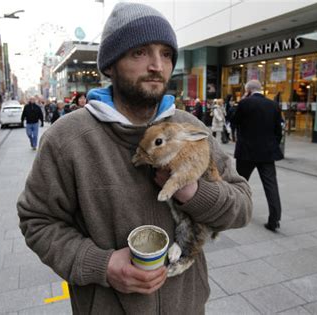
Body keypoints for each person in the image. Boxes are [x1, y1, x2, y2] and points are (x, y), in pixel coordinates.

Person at [17, 3, 252, 314]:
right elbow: (38, 221)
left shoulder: (191, 129)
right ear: (111, 65)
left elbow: (243, 206)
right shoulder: (67, 140)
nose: (157, 65)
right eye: (140, 52)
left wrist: (194, 193)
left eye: (166, 54)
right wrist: (103, 265)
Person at [234, 79, 283, 232]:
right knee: (271, 185)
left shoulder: (244, 103)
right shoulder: (274, 105)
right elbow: (278, 130)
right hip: (267, 153)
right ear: (260, 89)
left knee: (240, 184)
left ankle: (237, 213)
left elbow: (233, 120)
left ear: (248, 90)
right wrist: (272, 145)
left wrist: (242, 100)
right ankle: (274, 219)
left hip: (246, 152)